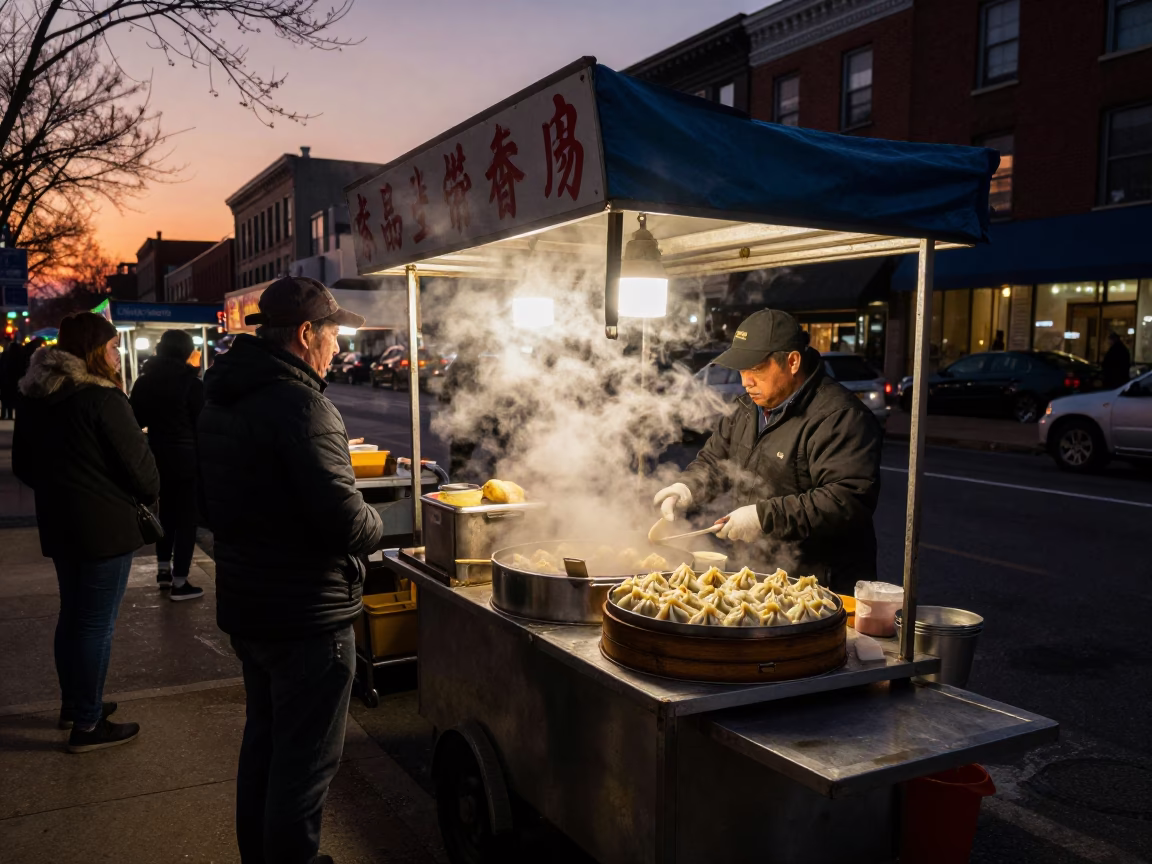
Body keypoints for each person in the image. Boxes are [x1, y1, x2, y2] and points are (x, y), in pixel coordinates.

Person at [197, 277, 385, 864]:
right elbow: (346, 523)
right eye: (333, 337)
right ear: (306, 334)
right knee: (303, 768)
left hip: (252, 603)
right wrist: (378, 523)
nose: (338, 350)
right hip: (306, 613)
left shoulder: (223, 394)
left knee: (266, 746)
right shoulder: (302, 404)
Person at [654, 309, 883, 595]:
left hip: (819, 586)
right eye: (741, 370)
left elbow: (845, 501)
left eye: (756, 369)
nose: (745, 381)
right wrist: (686, 488)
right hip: (756, 576)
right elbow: (715, 461)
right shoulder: (746, 409)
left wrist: (764, 517)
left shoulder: (841, 417)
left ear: (792, 361)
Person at [12, 313, 159, 752]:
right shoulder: (103, 400)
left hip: (60, 521)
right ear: (95, 351)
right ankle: (89, 725)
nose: (118, 355)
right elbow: (145, 477)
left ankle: (76, 704)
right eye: (113, 347)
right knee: (95, 624)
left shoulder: (36, 397)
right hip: (104, 528)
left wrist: (65, 487)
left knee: (73, 617)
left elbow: (24, 466)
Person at [129, 329, 205, 600]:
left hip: (157, 457)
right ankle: (180, 582)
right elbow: (202, 426)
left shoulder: (144, 382)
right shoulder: (193, 384)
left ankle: (163, 570)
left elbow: (134, 422)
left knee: (165, 516)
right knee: (187, 521)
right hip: (187, 460)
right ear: (186, 351)